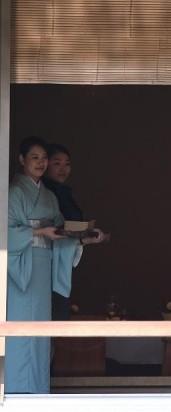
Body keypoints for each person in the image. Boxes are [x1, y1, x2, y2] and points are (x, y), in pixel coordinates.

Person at [7, 137, 81, 393]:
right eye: (34, 158)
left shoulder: (49, 196)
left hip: (43, 266)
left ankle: (38, 389)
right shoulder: (14, 192)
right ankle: (17, 390)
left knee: (41, 331)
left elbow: (60, 229)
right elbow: (6, 232)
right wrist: (39, 232)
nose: (41, 163)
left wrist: (81, 237)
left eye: (43, 158)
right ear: (21, 160)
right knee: (21, 328)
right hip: (23, 267)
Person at [42, 143, 106, 320]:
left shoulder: (62, 192)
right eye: (57, 163)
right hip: (46, 259)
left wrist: (85, 236)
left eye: (67, 164)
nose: (63, 169)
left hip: (64, 254)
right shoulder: (46, 193)